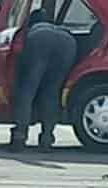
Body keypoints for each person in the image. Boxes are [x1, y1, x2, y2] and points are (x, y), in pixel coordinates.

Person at [10, 8, 77, 150]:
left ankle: (20, 136)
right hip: (68, 41)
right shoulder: (55, 29)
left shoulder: (33, 30)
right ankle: (47, 137)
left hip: (40, 40)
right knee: (52, 92)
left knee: (28, 90)